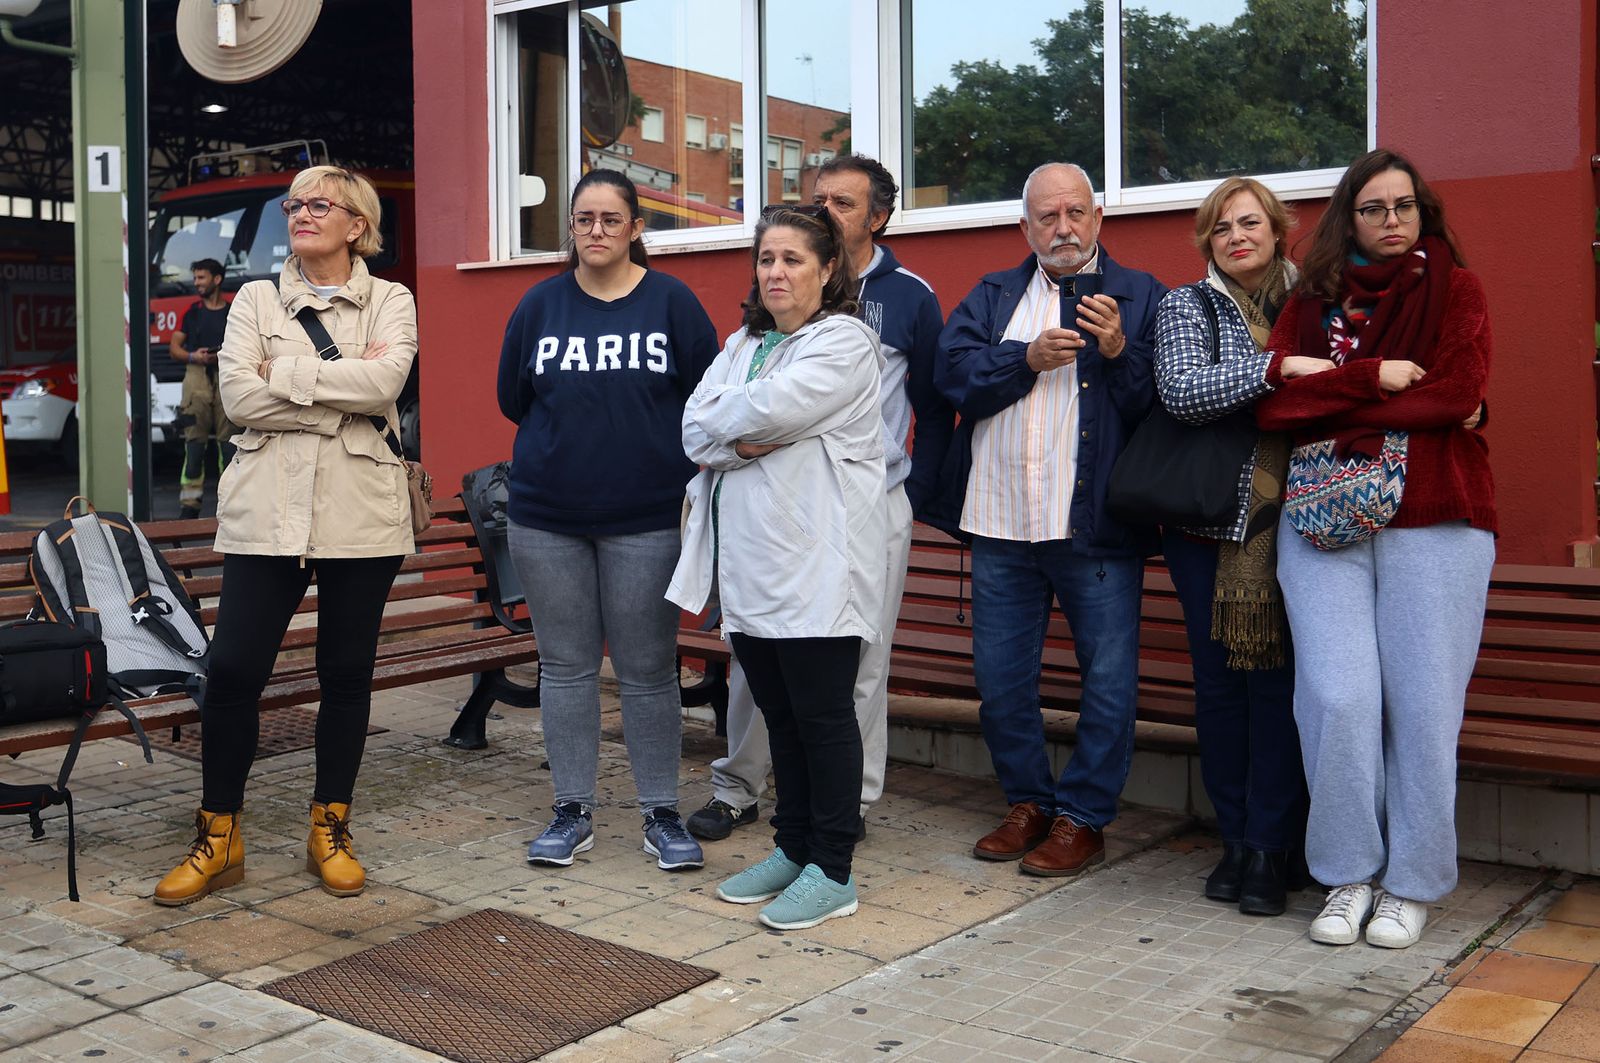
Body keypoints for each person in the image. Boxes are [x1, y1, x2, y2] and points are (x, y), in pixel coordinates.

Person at [155, 165, 418, 905]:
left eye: (318, 204)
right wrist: (335, 391)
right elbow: (239, 398)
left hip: (360, 510)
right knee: (234, 671)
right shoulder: (254, 299)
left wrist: (287, 375)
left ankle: (329, 828)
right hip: (266, 511)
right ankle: (219, 835)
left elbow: (385, 385)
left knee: (346, 673)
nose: (300, 214)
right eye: (293, 204)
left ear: (357, 225)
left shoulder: (392, 299)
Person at [1255, 148, 1494, 950]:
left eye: (1403, 206)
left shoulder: (1458, 289)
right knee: (1336, 697)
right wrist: (1371, 378)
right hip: (1322, 516)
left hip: (1438, 515)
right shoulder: (1311, 302)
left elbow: (1457, 392)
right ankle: (1348, 871)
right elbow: (1276, 409)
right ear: (1348, 219)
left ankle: (1411, 882)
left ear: (1422, 212)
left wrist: (1333, 396)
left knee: (1424, 708)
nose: (1391, 220)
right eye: (1373, 208)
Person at [686, 154, 955, 842]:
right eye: (819, 199)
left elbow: (930, 403)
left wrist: (913, 490)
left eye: (843, 203)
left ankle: (846, 808)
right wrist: (740, 441)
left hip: (864, 503)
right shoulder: (757, 329)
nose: (825, 211)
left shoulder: (902, 299)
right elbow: (699, 425)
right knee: (760, 668)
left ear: (877, 218)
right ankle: (742, 788)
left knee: (853, 668)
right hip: (767, 512)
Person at [931, 162, 1165, 878]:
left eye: (1075, 213)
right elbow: (952, 376)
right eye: (1047, 216)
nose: (1063, 228)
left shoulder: (1141, 294)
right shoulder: (994, 294)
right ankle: (1028, 802)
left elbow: (1161, 406)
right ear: (1025, 227)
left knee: (1108, 681)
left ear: (1098, 218)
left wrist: (1119, 350)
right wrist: (1025, 359)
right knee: (1001, 679)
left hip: (1094, 525)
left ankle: (1083, 817)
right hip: (1000, 519)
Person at [667, 205, 888, 930]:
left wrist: (733, 426)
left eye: (793, 259)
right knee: (781, 716)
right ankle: (792, 848)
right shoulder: (743, 344)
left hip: (818, 569)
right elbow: (694, 427)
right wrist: (739, 437)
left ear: (828, 269)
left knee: (823, 718)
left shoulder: (846, 343)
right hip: (752, 570)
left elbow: (770, 411)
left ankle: (833, 867)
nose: (776, 272)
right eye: (766, 259)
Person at [497, 169, 718, 873]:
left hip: (647, 520)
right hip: (546, 518)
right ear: (570, 227)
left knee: (648, 670)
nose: (596, 230)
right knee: (565, 668)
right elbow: (513, 398)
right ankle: (572, 810)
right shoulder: (540, 304)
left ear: (635, 228)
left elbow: (707, 396)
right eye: (584, 218)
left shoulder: (672, 302)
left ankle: (661, 812)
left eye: (611, 219)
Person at [1152, 178, 1309, 915]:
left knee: (1277, 685)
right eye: (1221, 228)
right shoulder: (1187, 304)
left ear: (1278, 230)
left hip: (1299, 523)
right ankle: (1237, 839)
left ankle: (1274, 844)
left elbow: (1340, 389)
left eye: (1249, 223)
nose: (1237, 237)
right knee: (1218, 685)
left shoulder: (1314, 303)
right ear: (1207, 241)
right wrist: (1277, 371)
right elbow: (1183, 392)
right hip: (1205, 526)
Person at [170, 258, 237, 518]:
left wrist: (223, 355)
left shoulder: (233, 312)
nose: (196, 283)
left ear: (216, 280)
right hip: (196, 377)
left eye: (201, 278)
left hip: (227, 376)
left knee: (229, 445)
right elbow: (174, 348)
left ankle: (230, 506)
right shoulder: (192, 313)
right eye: (195, 277)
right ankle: (189, 507)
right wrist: (193, 356)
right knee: (194, 445)